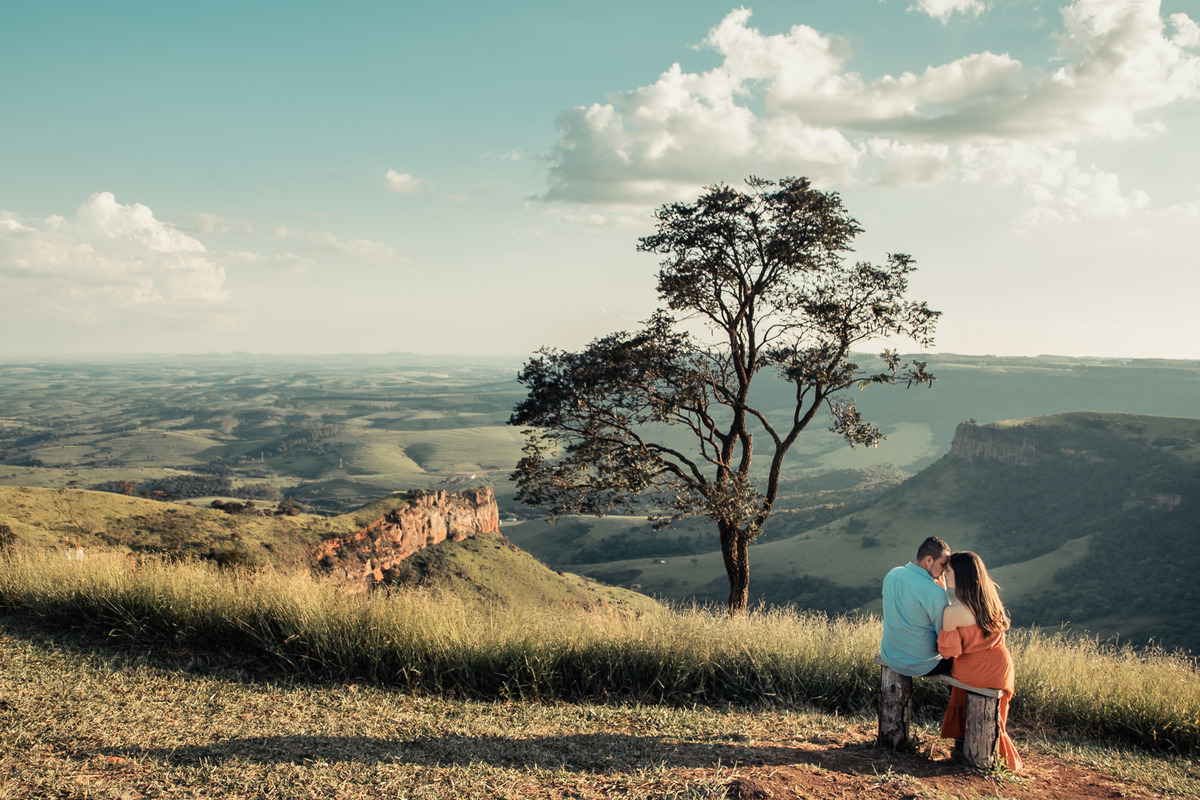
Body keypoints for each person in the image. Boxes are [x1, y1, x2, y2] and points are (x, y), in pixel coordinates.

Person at [939, 550, 1022, 772]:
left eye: (949, 571)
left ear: (961, 575)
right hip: (1001, 669)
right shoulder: (991, 601)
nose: (945, 574)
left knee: (956, 681)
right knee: (995, 715)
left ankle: (962, 745)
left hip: (974, 670)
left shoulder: (953, 611)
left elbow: (949, 652)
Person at [881, 536, 953, 677]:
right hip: (923, 665)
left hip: (890, 656)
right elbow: (945, 636)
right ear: (929, 560)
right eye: (943, 564)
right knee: (963, 662)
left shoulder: (892, 574)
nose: (945, 571)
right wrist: (943, 594)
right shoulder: (936, 593)